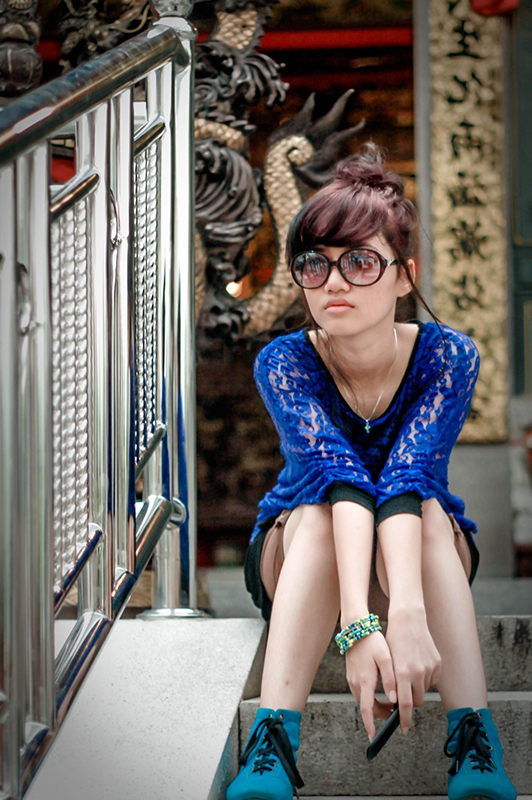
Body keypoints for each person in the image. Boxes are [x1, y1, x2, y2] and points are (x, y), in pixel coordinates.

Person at [225, 144, 517, 800]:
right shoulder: (284, 361)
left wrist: (406, 612)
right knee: (321, 511)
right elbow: (339, 478)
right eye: (315, 263)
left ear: (403, 275)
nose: (333, 282)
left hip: (417, 556)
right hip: (303, 555)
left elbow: (408, 481)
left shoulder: (448, 357)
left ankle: (474, 739)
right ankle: (273, 741)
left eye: (359, 262)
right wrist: (360, 627)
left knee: (433, 512)